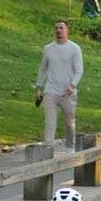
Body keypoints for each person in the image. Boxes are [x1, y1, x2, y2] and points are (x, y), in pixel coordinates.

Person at [34, 20, 84, 150]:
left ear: (67, 31)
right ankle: (48, 147)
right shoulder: (48, 49)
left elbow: (79, 70)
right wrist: (38, 87)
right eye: (56, 28)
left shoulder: (74, 48)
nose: (58, 30)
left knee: (69, 122)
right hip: (51, 90)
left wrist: (72, 85)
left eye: (61, 28)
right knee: (50, 121)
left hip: (68, 91)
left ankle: (70, 147)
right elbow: (43, 68)